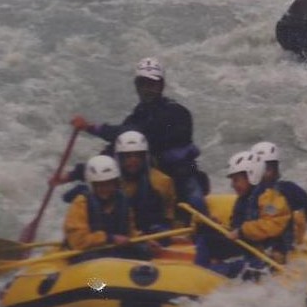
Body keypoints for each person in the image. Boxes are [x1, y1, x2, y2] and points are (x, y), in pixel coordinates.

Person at [70, 57, 208, 218]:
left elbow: (143, 132)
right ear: (137, 87)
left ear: (161, 85)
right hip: (148, 178)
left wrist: (91, 127)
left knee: (195, 199)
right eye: (143, 84)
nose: (147, 89)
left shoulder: (177, 112)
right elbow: (116, 149)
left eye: (152, 84)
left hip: (180, 176)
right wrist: (77, 173)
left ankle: (205, 229)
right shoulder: (135, 117)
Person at [194, 150, 293, 279]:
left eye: (236, 180)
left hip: (264, 252)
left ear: (251, 176)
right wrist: (221, 226)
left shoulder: (269, 198)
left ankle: (211, 275)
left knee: (240, 268)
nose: (233, 185)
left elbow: (272, 224)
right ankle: (199, 272)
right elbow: (237, 225)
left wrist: (242, 231)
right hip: (247, 245)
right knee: (206, 238)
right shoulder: (244, 198)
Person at [62, 155, 147, 262]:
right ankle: (98, 280)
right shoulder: (81, 203)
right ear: (92, 185)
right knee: (95, 266)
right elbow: (78, 241)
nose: (105, 189)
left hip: (113, 253)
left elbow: (130, 231)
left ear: (116, 183)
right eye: (99, 185)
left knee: (144, 252)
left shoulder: (122, 200)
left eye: (109, 184)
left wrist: (144, 241)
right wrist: (109, 238)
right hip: (87, 256)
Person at [114, 130, 177, 234]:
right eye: (128, 156)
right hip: (122, 237)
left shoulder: (162, 181)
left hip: (154, 233)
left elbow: (169, 213)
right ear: (120, 159)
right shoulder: (110, 184)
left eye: (137, 155)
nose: (133, 160)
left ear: (145, 157)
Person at [250, 141, 307, 244]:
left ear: (275, 170)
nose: (261, 174)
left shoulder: (289, 191)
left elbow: (306, 211)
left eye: (267, 169)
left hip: (282, 239)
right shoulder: (253, 193)